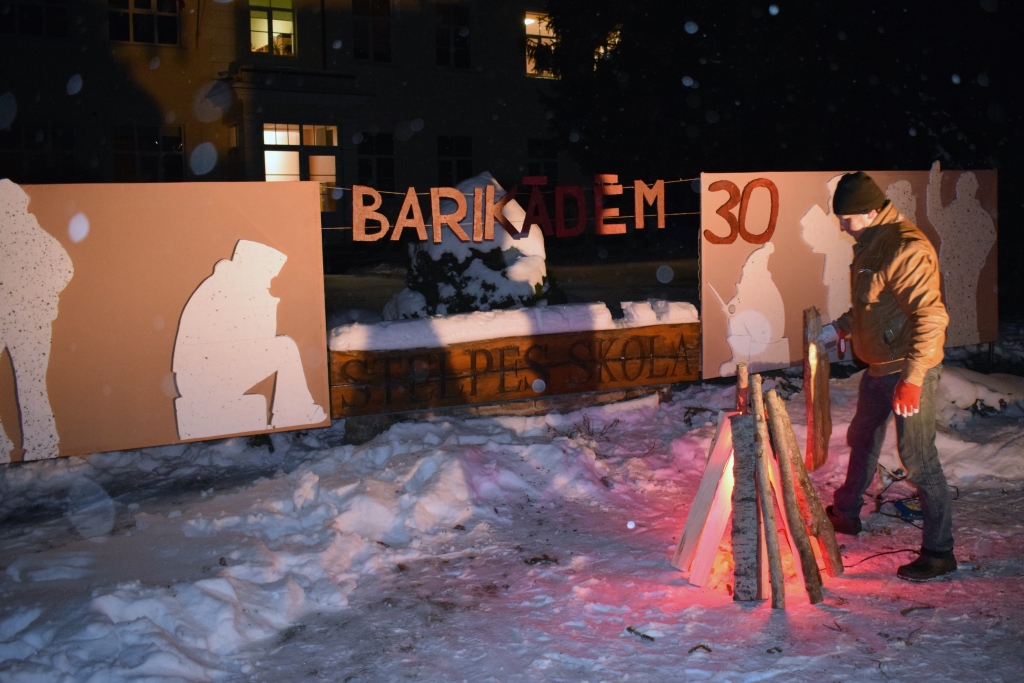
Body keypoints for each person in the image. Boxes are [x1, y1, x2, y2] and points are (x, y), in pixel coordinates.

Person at [822, 171, 956, 582]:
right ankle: (845, 513)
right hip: (879, 368)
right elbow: (874, 307)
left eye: (846, 218)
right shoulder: (872, 244)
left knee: (918, 459)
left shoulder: (905, 247)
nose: (842, 226)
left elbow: (931, 317)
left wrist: (914, 379)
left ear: (869, 211)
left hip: (907, 369)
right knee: (861, 438)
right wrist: (842, 326)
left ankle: (939, 552)